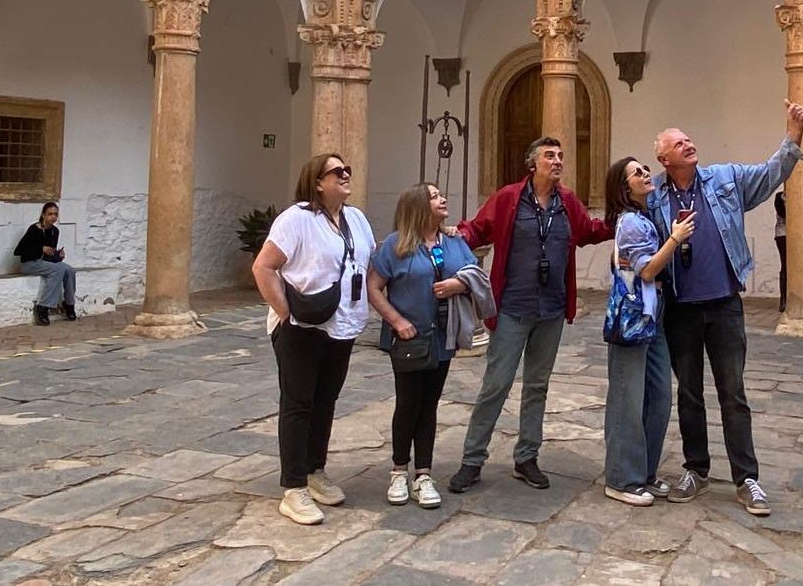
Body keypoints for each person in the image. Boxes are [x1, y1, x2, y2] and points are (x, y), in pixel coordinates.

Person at [649, 101, 803, 517]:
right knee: (688, 394)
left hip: (724, 306)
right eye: (679, 143)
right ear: (663, 159)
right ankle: (696, 469)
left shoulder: (724, 179)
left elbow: (771, 172)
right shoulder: (654, 200)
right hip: (680, 309)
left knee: (733, 394)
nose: (689, 145)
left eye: (689, 139)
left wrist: (793, 135)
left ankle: (747, 478)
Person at [447, 137, 612, 494]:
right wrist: (455, 235)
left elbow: (590, 231)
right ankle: (472, 460)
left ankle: (526, 457)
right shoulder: (508, 198)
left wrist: (622, 217)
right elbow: (477, 229)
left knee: (537, 386)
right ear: (532, 163)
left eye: (560, 156)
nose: (557, 161)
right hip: (512, 308)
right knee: (496, 384)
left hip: (551, 309)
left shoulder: (567, 202)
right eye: (549, 156)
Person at [251, 153, 377, 525]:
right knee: (298, 404)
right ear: (317, 182)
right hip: (303, 327)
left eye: (347, 170)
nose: (346, 175)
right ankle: (294, 488)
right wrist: (286, 312)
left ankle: (314, 470)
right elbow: (263, 266)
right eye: (337, 172)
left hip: (342, 324)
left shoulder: (356, 219)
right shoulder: (296, 220)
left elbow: (370, 260)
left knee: (326, 400)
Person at [367, 183, 478, 510]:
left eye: (441, 194)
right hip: (409, 338)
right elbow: (374, 287)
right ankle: (399, 470)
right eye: (434, 196)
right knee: (408, 404)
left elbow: (473, 272)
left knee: (429, 404)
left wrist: (459, 283)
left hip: (443, 337)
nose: (442, 199)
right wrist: (396, 321)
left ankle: (423, 475)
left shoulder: (454, 241)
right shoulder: (394, 246)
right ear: (418, 206)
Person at [601, 157, 695, 506]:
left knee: (658, 397)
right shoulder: (629, 223)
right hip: (632, 321)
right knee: (627, 400)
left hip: (651, 319)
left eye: (644, 169)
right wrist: (675, 238)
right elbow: (646, 271)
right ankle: (621, 478)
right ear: (625, 188)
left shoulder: (644, 218)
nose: (645, 174)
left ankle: (644, 472)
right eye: (637, 173)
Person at [15, 201, 76, 326]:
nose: (53, 217)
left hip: (44, 263)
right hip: (30, 263)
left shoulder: (55, 231)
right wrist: (40, 248)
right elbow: (19, 251)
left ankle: (69, 303)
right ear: (43, 215)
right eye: (50, 214)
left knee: (70, 270)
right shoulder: (34, 229)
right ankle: (43, 306)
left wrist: (58, 255)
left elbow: (50, 257)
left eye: (55, 214)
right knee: (58, 270)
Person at [773, 191, 787, 313]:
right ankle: (784, 299)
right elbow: (783, 214)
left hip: (798, 235)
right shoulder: (780, 197)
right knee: (785, 266)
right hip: (783, 234)